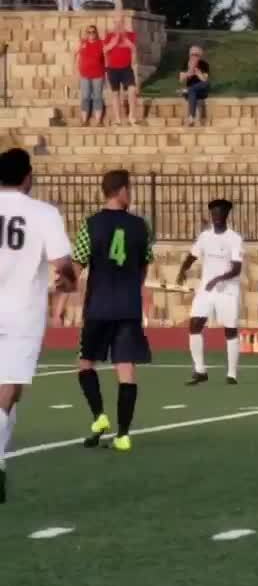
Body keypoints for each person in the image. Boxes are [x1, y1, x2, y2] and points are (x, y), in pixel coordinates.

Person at [0, 148, 76, 502]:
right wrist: (69, 282)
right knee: (9, 390)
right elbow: (63, 264)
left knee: (9, 395)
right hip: (20, 313)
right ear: (27, 176)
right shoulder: (43, 213)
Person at [70, 170, 153, 453]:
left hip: (99, 307)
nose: (131, 195)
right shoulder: (141, 226)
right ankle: (124, 434)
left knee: (85, 364)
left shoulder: (90, 225)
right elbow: (144, 265)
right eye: (129, 190)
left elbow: (77, 266)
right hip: (128, 307)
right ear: (120, 191)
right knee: (126, 369)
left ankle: (99, 416)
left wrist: (60, 290)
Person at [176, 199, 243, 386]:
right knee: (195, 324)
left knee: (230, 329)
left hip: (227, 290)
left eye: (220, 214)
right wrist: (183, 270)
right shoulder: (205, 237)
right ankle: (200, 370)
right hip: (207, 289)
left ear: (226, 215)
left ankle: (231, 374)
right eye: (214, 214)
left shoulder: (234, 239)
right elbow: (192, 255)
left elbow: (237, 268)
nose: (217, 217)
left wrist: (218, 279)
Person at [103, 16, 139, 126]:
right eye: (116, 23)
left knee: (132, 90)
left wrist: (124, 40)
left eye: (120, 23)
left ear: (124, 23)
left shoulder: (131, 35)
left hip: (126, 68)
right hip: (112, 68)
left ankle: (132, 117)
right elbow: (105, 49)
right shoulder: (109, 36)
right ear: (113, 24)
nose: (118, 25)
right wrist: (114, 41)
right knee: (115, 93)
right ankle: (117, 119)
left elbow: (133, 49)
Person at [76, 24, 105, 126]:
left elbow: (107, 55)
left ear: (96, 33)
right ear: (86, 33)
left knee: (97, 97)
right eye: (89, 32)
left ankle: (98, 121)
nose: (91, 34)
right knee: (85, 97)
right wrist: (74, 69)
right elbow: (74, 54)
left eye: (93, 32)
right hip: (85, 74)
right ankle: (84, 120)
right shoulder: (83, 43)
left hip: (98, 74)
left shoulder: (101, 43)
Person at [178, 45, 210, 126]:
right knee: (192, 91)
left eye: (196, 55)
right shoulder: (185, 64)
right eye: (192, 54)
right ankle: (191, 118)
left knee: (203, 84)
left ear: (200, 56)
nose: (194, 57)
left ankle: (186, 91)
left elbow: (204, 80)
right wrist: (189, 72)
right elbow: (181, 79)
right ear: (189, 55)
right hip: (192, 92)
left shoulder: (204, 64)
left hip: (202, 91)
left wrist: (198, 73)